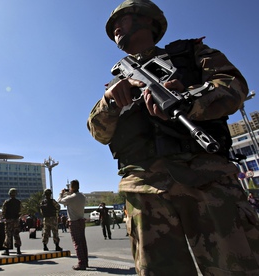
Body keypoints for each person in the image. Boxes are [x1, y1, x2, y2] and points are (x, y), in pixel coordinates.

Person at [86, 0, 259, 274]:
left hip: (205, 179)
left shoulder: (190, 54)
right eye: (112, 27)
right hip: (143, 189)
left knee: (235, 268)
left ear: (148, 21)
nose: (115, 29)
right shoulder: (116, 84)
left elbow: (233, 86)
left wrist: (190, 100)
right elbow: (98, 132)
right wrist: (109, 100)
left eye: (124, 20)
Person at [58, 180, 88, 270]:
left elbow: (60, 201)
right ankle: (85, 262)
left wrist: (61, 193)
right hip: (81, 221)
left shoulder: (71, 198)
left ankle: (81, 263)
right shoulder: (82, 196)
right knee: (83, 242)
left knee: (77, 243)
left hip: (74, 222)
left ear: (71, 187)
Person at [1, 188, 22, 255]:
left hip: (8, 220)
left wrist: (5, 217)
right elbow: (21, 211)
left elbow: (3, 212)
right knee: (16, 234)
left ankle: (7, 250)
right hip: (16, 220)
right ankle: (18, 250)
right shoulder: (18, 202)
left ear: (9, 194)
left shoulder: (6, 202)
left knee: (8, 235)